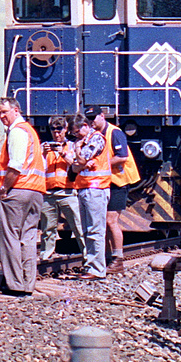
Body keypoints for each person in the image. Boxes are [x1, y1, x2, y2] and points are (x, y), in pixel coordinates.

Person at [0, 98, 45, 295]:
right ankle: (28, 283)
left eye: (4, 112)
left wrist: (4, 189)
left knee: (10, 237)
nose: (1, 117)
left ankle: (15, 284)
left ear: (16, 110)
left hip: (17, 190)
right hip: (35, 192)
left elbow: (15, 165)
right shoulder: (31, 132)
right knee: (29, 238)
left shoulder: (17, 132)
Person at [97, 109, 140, 275]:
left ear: (102, 116)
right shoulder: (96, 134)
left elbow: (122, 156)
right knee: (105, 221)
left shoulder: (114, 132)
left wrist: (101, 163)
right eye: (89, 118)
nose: (92, 121)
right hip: (105, 181)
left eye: (95, 117)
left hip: (119, 181)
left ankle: (118, 259)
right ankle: (108, 257)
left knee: (111, 220)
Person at [70, 110, 110, 280]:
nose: (75, 136)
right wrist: (78, 163)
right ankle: (91, 265)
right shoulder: (84, 140)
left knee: (95, 230)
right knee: (88, 231)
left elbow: (80, 160)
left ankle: (97, 269)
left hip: (96, 189)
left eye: (77, 132)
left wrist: (78, 155)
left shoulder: (96, 139)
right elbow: (74, 165)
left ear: (85, 126)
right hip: (85, 189)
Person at [39, 115, 86, 261]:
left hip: (68, 192)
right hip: (48, 193)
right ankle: (45, 255)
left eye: (59, 129)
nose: (56, 133)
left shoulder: (72, 146)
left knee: (78, 226)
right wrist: (44, 154)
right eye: (53, 129)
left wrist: (63, 153)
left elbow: (77, 165)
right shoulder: (44, 147)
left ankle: (88, 256)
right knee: (47, 229)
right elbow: (40, 168)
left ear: (66, 129)